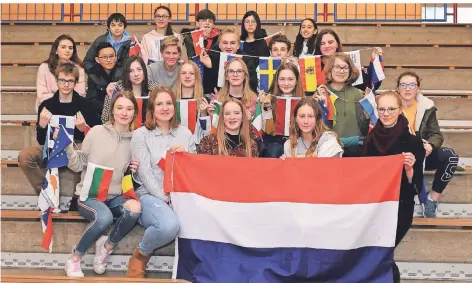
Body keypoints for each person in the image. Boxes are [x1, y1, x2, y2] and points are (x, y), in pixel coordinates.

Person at [64, 91, 141, 277]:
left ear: (135, 113)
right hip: (89, 196)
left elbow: (134, 180)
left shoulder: (136, 139)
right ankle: (75, 258)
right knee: (104, 217)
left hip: (115, 196)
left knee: (135, 208)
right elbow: (78, 164)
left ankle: (106, 246)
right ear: (112, 111)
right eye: (120, 108)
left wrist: (135, 170)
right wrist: (67, 146)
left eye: (129, 108)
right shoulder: (96, 132)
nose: (124, 112)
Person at [129, 86, 195, 278]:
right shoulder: (141, 134)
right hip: (150, 195)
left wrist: (187, 155)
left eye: (168, 103)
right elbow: (144, 172)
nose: (164, 108)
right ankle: (141, 255)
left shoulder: (185, 134)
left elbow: (194, 170)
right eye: (159, 104)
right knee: (169, 226)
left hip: (181, 195)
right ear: (151, 109)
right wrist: (165, 198)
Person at [362, 90, 425, 283]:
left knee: (383, 253)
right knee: (377, 255)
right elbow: (364, 178)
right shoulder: (369, 141)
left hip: (400, 207)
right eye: (381, 109)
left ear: (400, 110)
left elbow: (417, 185)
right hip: (373, 208)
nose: (386, 113)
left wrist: (409, 171)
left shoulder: (413, 142)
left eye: (391, 109)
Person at [18, 63, 101, 199]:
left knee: (83, 154)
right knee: (25, 156)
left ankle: (78, 197)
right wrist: (42, 125)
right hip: (51, 145)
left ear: (75, 83)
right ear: (56, 81)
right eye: (62, 80)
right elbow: (40, 140)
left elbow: (98, 133)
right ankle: (45, 192)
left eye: (70, 81)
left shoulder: (86, 105)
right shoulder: (46, 105)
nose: (66, 85)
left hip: (76, 144)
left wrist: (84, 129)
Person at [396, 71, 459, 218]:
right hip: (399, 155)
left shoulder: (426, 107)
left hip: (423, 154)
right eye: (403, 85)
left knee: (450, 156)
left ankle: (431, 199)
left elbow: (436, 134)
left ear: (417, 88)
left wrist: (430, 146)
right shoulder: (391, 107)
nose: (407, 88)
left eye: (412, 85)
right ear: (397, 88)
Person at [318, 53, 370, 157]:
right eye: (337, 67)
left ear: (350, 71)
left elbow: (364, 130)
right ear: (330, 69)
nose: (341, 71)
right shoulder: (321, 93)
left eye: (345, 67)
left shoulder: (358, 94)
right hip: (329, 151)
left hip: (355, 150)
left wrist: (367, 114)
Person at [259, 62, 305, 158]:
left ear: (296, 80)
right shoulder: (268, 99)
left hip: (298, 142)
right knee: (274, 151)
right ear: (277, 81)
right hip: (274, 143)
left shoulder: (304, 101)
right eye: (282, 79)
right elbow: (267, 130)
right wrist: (266, 106)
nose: (286, 83)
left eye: (290, 79)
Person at [314, 28, 383, 91]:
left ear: (337, 44)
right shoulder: (312, 66)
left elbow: (369, 84)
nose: (327, 46)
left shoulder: (349, 62)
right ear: (318, 46)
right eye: (322, 43)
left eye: (330, 42)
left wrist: (374, 61)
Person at [200, 27, 258, 94]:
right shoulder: (212, 58)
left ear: (238, 46)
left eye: (232, 43)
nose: (228, 47)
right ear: (219, 45)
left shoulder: (246, 59)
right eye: (225, 43)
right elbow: (207, 89)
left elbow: (252, 85)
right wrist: (209, 68)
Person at [101, 56, 158, 124]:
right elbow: (105, 120)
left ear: (144, 70)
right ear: (126, 73)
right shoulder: (116, 89)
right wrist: (111, 97)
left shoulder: (155, 90)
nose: (136, 74)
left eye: (139, 69)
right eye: (131, 71)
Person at [36, 34, 86, 111]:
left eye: (70, 48)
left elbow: (81, 94)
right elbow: (41, 95)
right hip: (48, 105)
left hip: (72, 106)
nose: (67, 50)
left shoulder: (79, 69)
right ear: (56, 50)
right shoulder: (44, 67)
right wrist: (62, 99)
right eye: (63, 47)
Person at [174, 61, 211, 144]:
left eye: (191, 73)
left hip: (197, 148)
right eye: (183, 73)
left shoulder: (204, 101)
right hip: (176, 146)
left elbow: (207, 133)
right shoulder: (171, 101)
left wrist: (203, 114)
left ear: (196, 77)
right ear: (179, 77)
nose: (187, 76)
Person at [86, 42, 122, 117]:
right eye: (105, 57)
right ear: (97, 59)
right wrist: (109, 110)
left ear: (116, 57)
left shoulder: (122, 73)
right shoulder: (93, 76)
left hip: (121, 112)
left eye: (111, 56)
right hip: (100, 114)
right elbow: (92, 101)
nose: (109, 60)